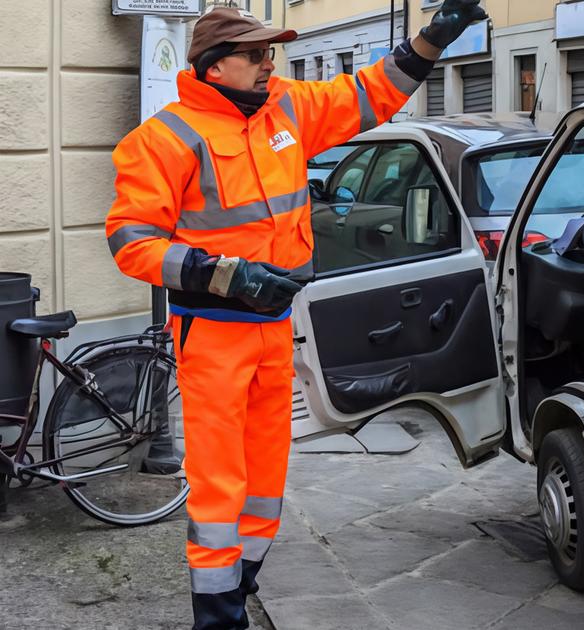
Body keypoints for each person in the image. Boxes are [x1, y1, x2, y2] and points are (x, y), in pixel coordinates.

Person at [103, 3, 486, 628]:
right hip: (214, 332)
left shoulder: (285, 107)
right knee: (221, 481)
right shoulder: (163, 139)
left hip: (275, 327)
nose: (268, 63)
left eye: (270, 53)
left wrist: (431, 39)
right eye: (255, 54)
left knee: (265, 478)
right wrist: (223, 272)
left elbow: (367, 94)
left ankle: (242, 582)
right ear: (213, 65)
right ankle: (219, 616)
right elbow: (130, 241)